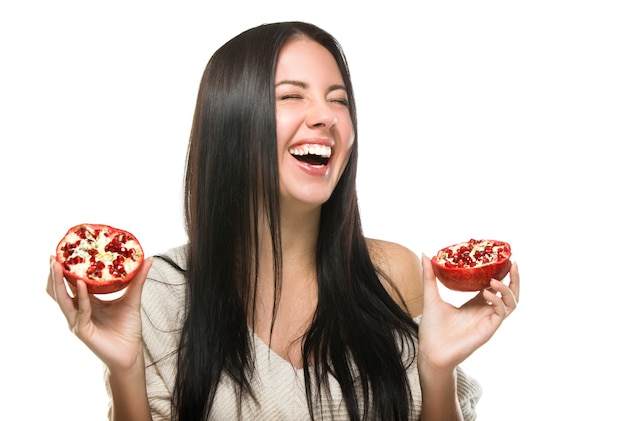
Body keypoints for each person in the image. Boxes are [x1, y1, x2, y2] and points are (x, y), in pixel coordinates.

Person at [47, 21, 520, 421]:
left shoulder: (396, 274)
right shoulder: (160, 294)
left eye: (338, 100)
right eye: (292, 96)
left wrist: (436, 371)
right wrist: (125, 370)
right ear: (232, 122)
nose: (326, 117)